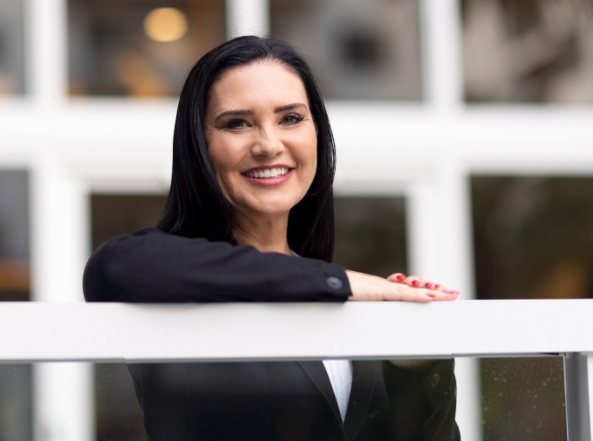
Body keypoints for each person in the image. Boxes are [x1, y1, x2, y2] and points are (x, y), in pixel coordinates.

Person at [83, 36, 460, 441]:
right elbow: (115, 266)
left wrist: (415, 368)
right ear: (199, 148)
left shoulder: (345, 306)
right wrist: (339, 283)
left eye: (291, 118)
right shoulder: (173, 280)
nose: (268, 144)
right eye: (237, 123)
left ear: (318, 134)